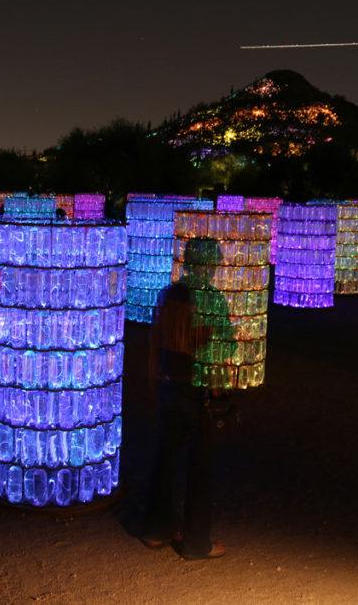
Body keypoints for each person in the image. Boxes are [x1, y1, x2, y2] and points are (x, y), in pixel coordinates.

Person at [142, 236, 232, 560]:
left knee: (164, 460)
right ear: (208, 265)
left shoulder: (169, 295)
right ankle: (196, 542)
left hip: (169, 386)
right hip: (199, 389)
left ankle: (155, 530)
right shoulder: (212, 299)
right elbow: (224, 346)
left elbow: (157, 340)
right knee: (201, 466)